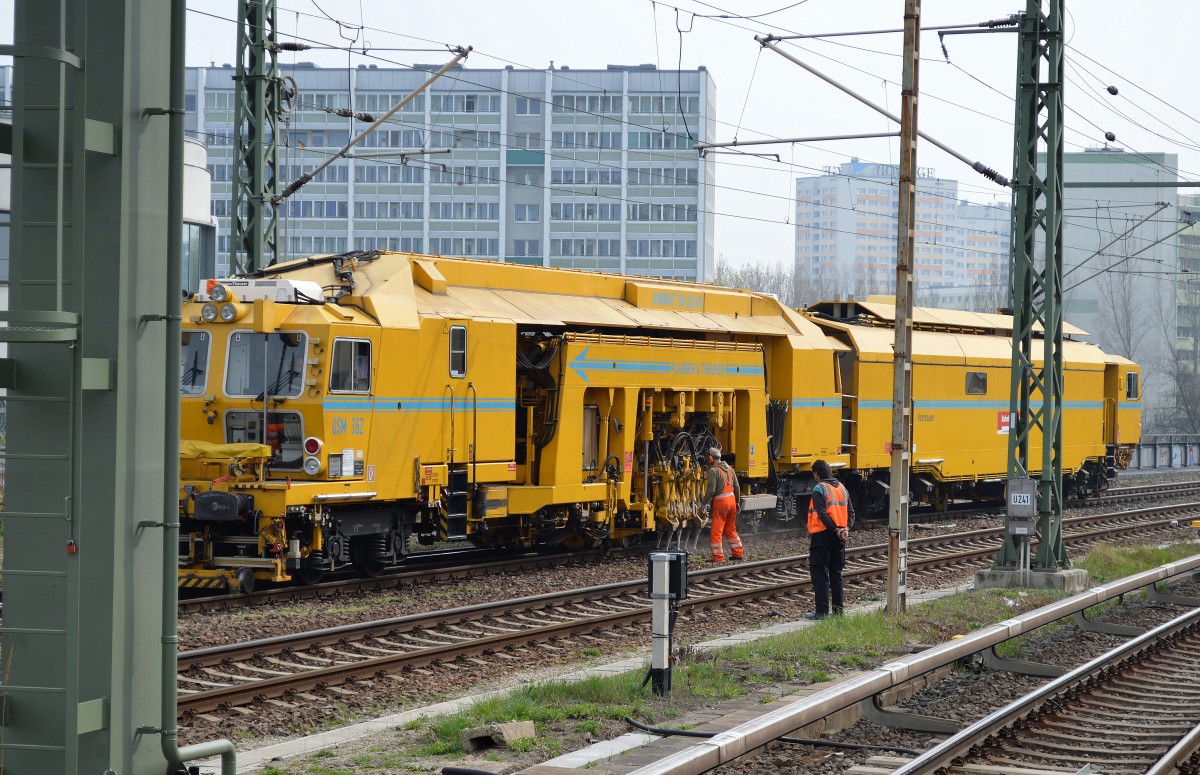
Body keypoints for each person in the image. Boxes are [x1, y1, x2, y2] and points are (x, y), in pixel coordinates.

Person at [805, 459, 854, 620]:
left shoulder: (820, 488)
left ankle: (822, 612)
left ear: (817, 473)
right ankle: (839, 612)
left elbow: (821, 513)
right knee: (836, 573)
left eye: (814, 474)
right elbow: (852, 513)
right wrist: (845, 529)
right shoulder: (842, 488)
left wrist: (835, 529)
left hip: (823, 535)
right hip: (840, 537)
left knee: (820, 573)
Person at [703, 446, 744, 562]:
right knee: (730, 529)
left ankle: (718, 557)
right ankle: (738, 553)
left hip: (721, 503)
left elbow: (711, 490)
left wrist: (703, 504)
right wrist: (737, 502)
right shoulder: (730, 469)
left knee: (716, 531)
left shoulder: (713, 471)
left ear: (710, 458)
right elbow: (736, 486)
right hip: (732, 501)